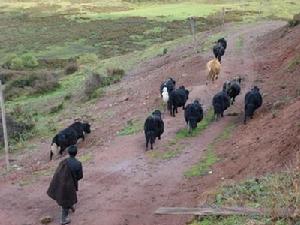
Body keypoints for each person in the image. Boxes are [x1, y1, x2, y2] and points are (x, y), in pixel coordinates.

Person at [47, 145, 83, 225]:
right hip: (69, 185)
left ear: (68, 153)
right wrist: (72, 179)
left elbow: (57, 172)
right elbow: (80, 176)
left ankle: (70, 205)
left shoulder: (63, 162)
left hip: (59, 181)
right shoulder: (78, 164)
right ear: (76, 153)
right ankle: (63, 219)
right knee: (66, 201)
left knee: (65, 197)